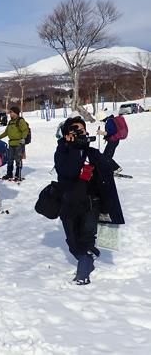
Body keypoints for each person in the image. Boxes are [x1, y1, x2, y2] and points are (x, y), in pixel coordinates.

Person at [55, 116, 124, 285]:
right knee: (72, 241)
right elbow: (69, 171)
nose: (80, 133)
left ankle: (84, 268)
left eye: (83, 130)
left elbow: (107, 169)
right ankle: (86, 255)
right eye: (75, 130)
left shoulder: (92, 153)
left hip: (91, 203)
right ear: (67, 134)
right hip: (69, 202)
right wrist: (71, 147)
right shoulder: (62, 152)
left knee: (86, 237)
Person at [0, 106, 29, 181]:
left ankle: (18, 174)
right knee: (9, 159)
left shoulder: (20, 121)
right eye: (10, 112)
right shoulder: (10, 122)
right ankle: (9, 174)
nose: (10, 114)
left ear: (16, 113)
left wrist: (23, 138)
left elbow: (25, 130)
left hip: (19, 143)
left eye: (11, 112)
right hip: (11, 143)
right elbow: (6, 132)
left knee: (18, 159)